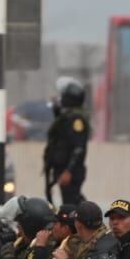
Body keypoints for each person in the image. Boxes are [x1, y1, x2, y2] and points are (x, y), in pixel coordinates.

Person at [44, 77, 89, 205]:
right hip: (61, 168)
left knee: (73, 203)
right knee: (69, 202)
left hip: (71, 171)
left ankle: (90, 220)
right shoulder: (67, 117)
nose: (61, 99)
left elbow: (79, 147)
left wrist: (68, 171)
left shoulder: (76, 120)